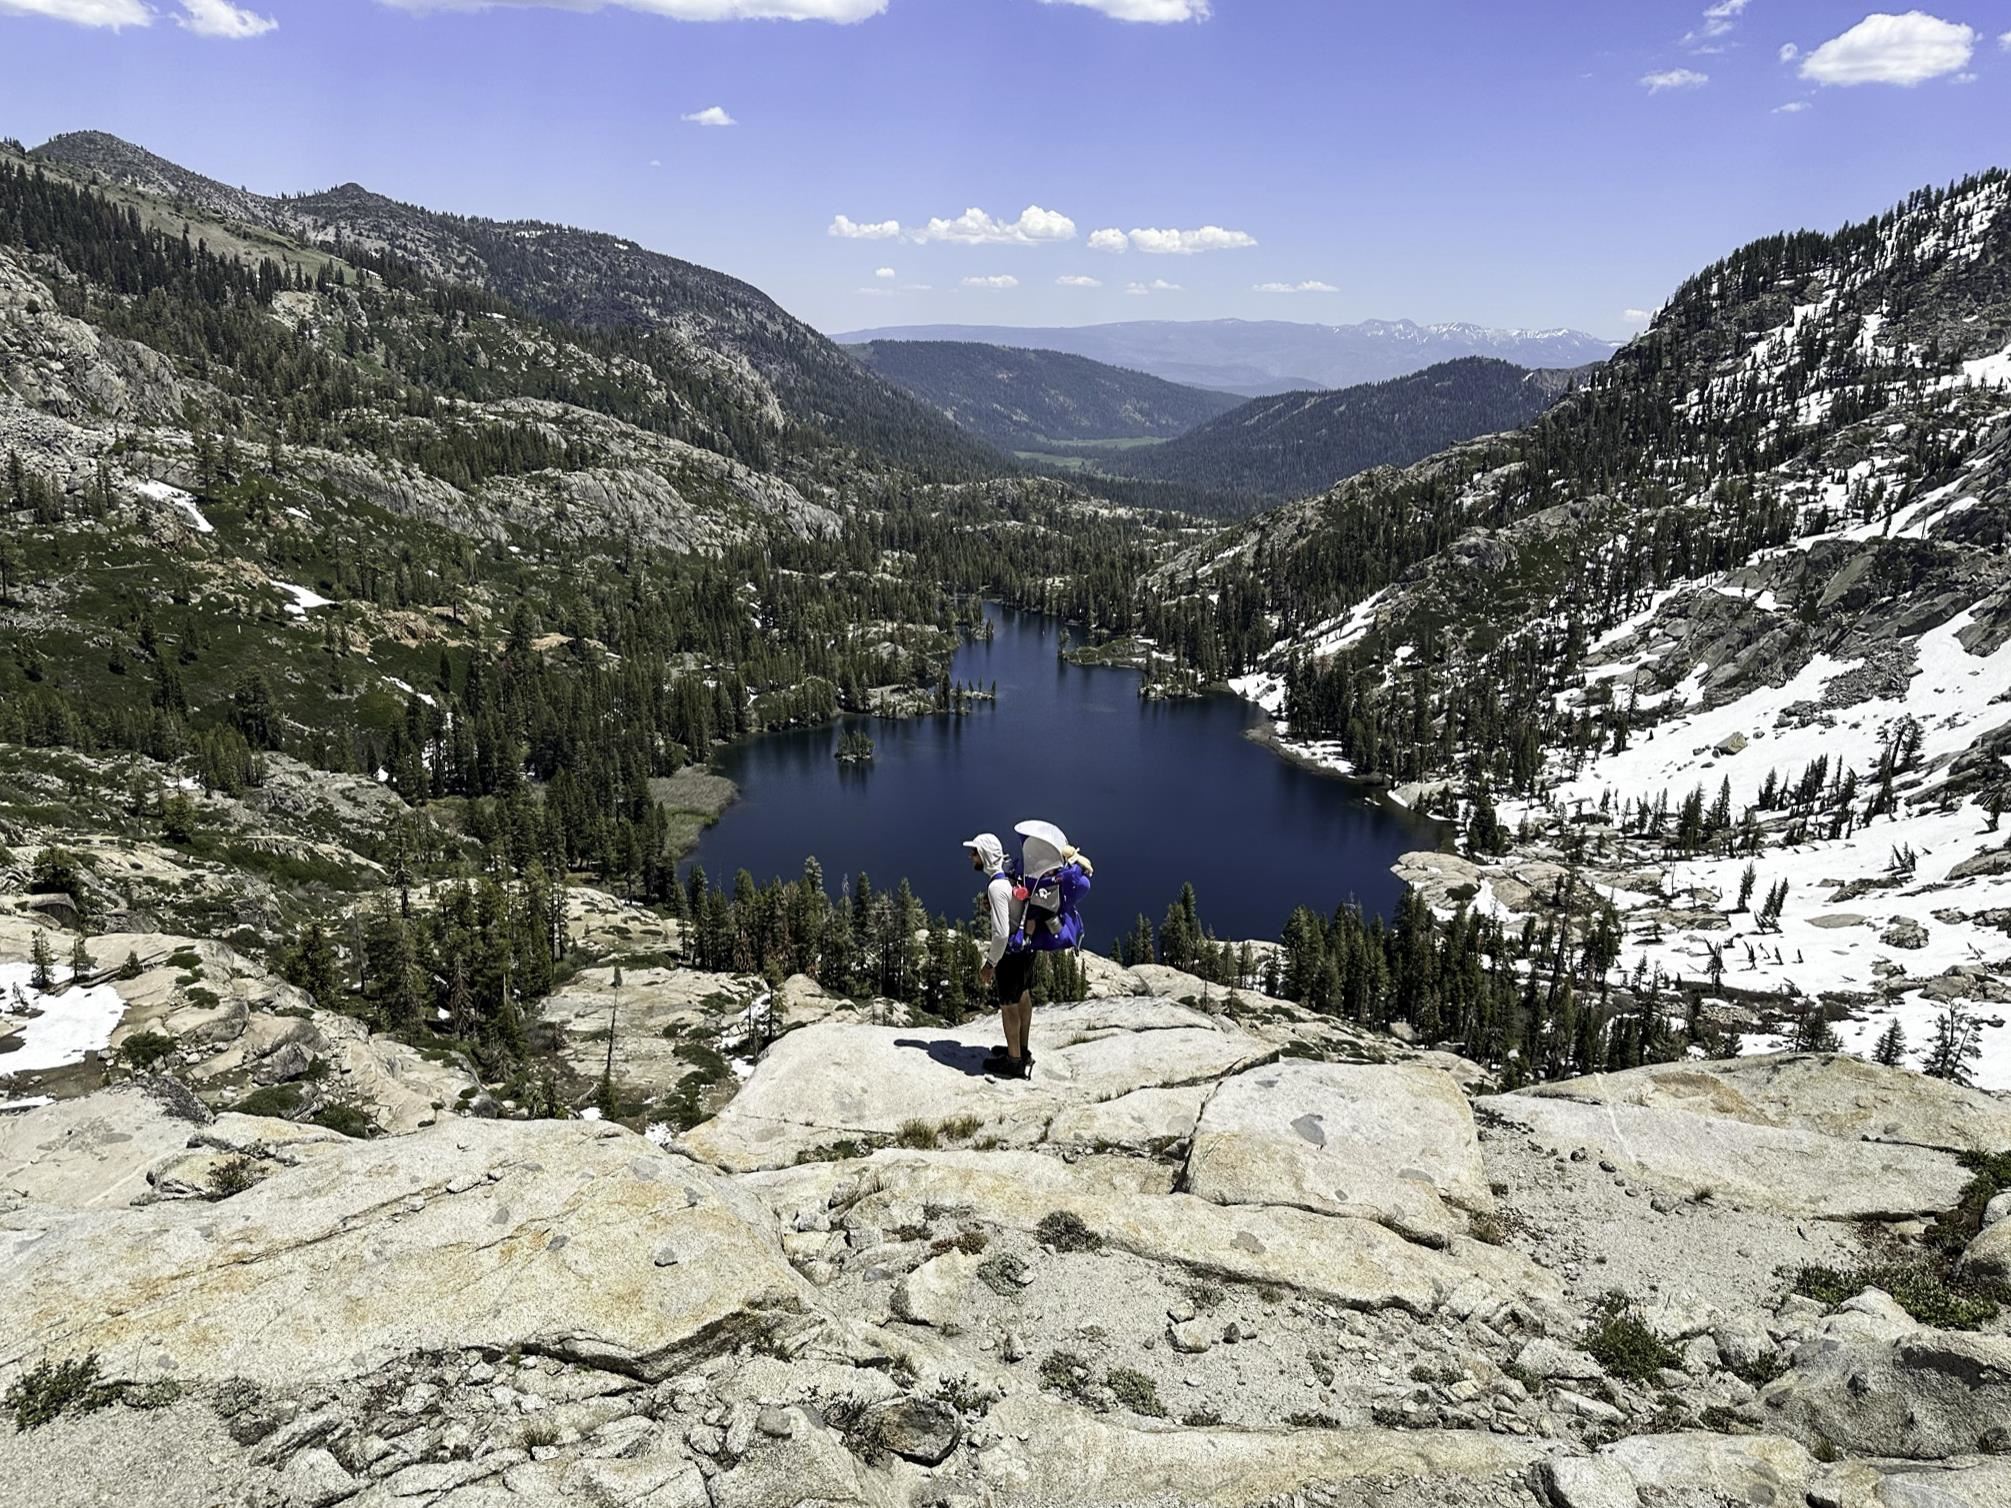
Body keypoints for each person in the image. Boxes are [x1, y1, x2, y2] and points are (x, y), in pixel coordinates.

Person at [964, 832, 1034, 1079]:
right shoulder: (1010, 877)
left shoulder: (996, 886)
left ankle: (1014, 1062)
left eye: (974, 853)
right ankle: (1022, 1050)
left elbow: (1001, 934)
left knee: (1008, 1006)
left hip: (1010, 955)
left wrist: (990, 964)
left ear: (984, 856)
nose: (971, 857)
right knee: (1023, 996)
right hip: (1026, 948)